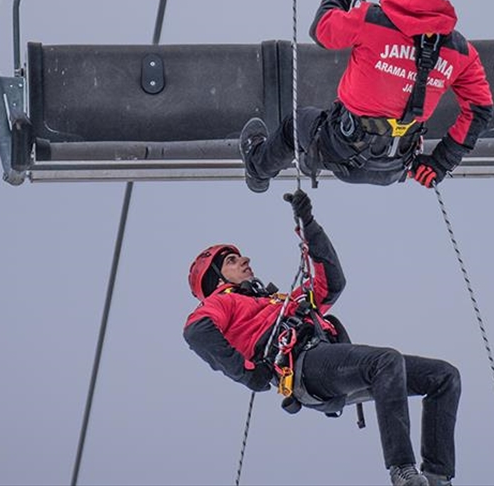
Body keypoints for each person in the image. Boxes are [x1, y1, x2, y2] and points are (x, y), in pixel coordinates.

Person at [183, 190, 460, 486]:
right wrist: (249, 373)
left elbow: (331, 284)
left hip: (326, 361)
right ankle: (402, 471)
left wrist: (309, 225)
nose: (245, 260)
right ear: (218, 280)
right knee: (385, 361)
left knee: (443, 376)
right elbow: (197, 332)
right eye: (233, 260)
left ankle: (436, 477)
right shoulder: (221, 302)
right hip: (304, 368)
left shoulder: (278, 301)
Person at [239, 0, 494, 193]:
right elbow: (480, 110)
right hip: (397, 165)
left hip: (341, 147)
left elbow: (322, 29)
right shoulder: (462, 51)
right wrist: (440, 162)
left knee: (295, 127)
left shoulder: (371, 19)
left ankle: (257, 169)